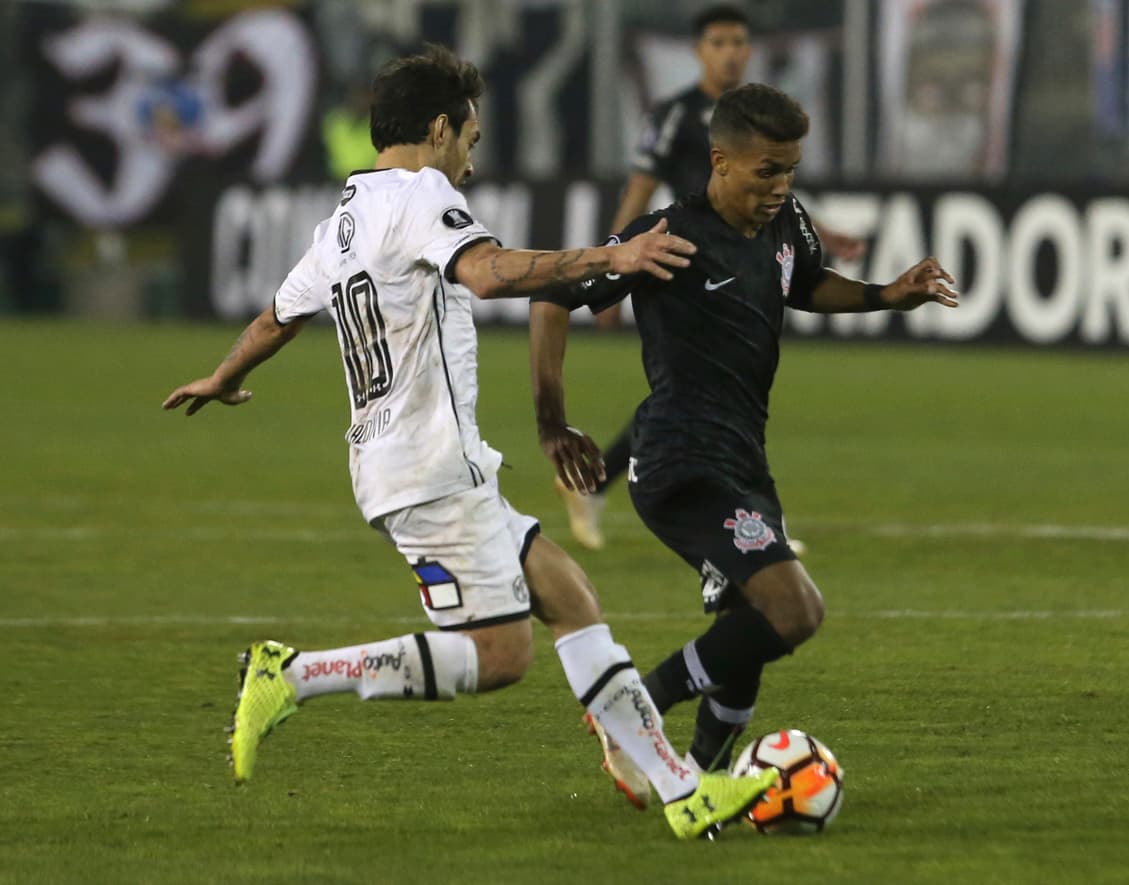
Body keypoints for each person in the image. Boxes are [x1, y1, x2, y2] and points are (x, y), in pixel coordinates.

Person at [162, 44, 776, 840]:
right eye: (472, 143)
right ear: (441, 129)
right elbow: (487, 274)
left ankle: (682, 790)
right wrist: (610, 255)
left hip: (412, 467)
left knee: (571, 598)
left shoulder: (342, 221)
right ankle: (296, 673)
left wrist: (221, 374)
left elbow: (278, 316)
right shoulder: (420, 196)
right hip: (426, 471)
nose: (472, 165)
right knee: (500, 656)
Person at [530, 83, 957, 779]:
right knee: (795, 609)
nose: (781, 186)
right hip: (680, 461)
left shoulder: (786, 223)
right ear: (721, 161)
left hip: (743, 462)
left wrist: (885, 295)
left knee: (749, 628)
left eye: (790, 171)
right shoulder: (668, 237)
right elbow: (554, 295)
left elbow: (808, 282)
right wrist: (552, 421)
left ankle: (696, 777)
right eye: (767, 172)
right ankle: (637, 703)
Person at [555, 3, 860, 552]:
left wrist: (824, 234)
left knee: (710, 392)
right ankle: (740, 515)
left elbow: (771, 191)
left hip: (741, 263)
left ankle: (614, 486)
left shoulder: (759, 118)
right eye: (718, 42)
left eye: (739, 42)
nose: (731, 52)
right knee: (701, 392)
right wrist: (612, 264)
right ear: (698, 51)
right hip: (687, 267)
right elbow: (641, 188)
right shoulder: (675, 113)